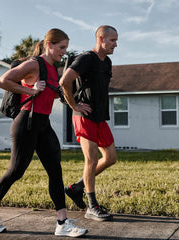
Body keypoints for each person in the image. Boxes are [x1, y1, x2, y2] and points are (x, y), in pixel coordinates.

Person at [0, 28, 87, 238]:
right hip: (26, 123)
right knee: (16, 171)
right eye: (61, 47)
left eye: (66, 48)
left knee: (55, 170)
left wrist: (72, 102)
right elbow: (2, 81)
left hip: (43, 124)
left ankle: (62, 222)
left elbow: (49, 95)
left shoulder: (54, 69)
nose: (64, 51)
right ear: (50, 45)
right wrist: (31, 90)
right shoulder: (34, 64)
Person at [59, 25, 118, 221]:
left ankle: (77, 187)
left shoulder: (107, 62)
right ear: (101, 39)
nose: (115, 45)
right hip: (84, 117)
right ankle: (92, 206)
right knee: (91, 161)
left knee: (110, 158)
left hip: (100, 117)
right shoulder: (86, 58)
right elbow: (64, 81)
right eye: (112, 40)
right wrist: (74, 105)